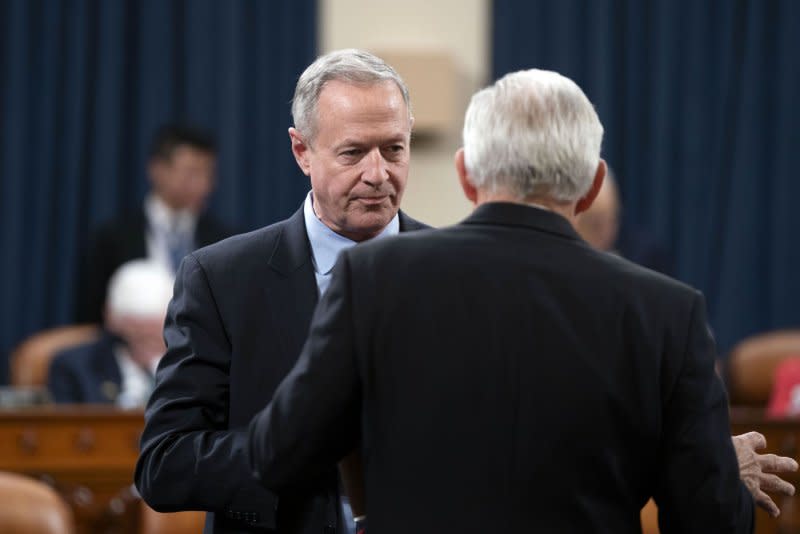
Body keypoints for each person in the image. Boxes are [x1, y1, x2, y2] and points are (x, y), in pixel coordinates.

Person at [246, 69, 792, 533]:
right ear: (592, 185)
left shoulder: (371, 278)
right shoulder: (669, 311)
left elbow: (277, 455)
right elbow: (708, 518)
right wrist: (717, 470)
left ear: (465, 175)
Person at [134, 50, 425, 533]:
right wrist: (293, 447)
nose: (377, 174)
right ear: (301, 151)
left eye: (394, 149)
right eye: (353, 153)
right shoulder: (221, 279)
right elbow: (165, 464)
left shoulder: (462, 275)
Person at [78, 124, 233, 324]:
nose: (203, 184)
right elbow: (92, 318)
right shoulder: (112, 238)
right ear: (157, 170)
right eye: (192, 173)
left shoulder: (225, 240)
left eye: (208, 174)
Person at [49, 260, 173, 406]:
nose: (146, 344)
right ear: (111, 319)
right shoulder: (75, 368)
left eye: (154, 336)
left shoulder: (194, 367)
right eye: (137, 334)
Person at [574, 168, 672, 274]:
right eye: (595, 224)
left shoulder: (645, 256)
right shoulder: (563, 256)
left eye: (613, 219)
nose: (606, 231)